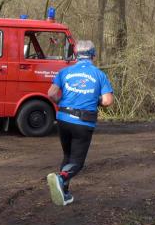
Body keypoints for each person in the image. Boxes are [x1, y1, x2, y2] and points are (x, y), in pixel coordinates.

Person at [45, 39, 114, 205]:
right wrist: (96, 99)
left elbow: (51, 93)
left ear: (76, 55)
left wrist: (62, 103)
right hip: (83, 122)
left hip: (63, 118)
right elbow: (107, 101)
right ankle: (61, 178)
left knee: (68, 156)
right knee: (77, 162)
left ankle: (64, 193)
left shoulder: (64, 72)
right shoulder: (99, 75)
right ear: (93, 56)